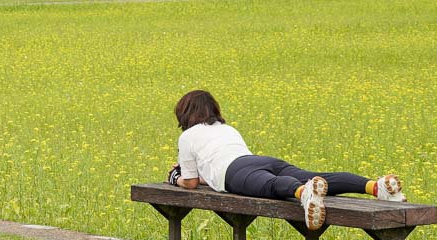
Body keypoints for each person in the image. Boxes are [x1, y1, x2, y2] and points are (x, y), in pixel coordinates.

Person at [170, 89, 406, 231]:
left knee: (272, 187)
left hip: (234, 173)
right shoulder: (226, 128)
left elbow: (190, 183)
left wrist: (176, 178)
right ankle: (375, 186)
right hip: (259, 161)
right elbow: (205, 176)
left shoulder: (188, 136)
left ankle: (304, 194)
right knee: (315, 175)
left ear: (185, 113)